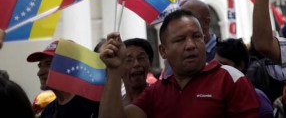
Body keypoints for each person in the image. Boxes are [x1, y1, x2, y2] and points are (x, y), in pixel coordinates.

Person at [99, 9, 259, 117]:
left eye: (196, 36)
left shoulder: (231, 79)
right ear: (163, 51)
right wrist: (114, 69)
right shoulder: (157, 92)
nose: (190, 45)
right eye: (180, 40)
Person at [26, 40, 100, 118]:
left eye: (49, 64)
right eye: (40, 66)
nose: (39, 73)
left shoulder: (93, 104)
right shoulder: (48, 111)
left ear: (71, 66)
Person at [215, 38, 274, 118]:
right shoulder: (213, 97)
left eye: (223, 65)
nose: (216, 68)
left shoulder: (258, 98)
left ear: (240, 66)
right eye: (214, 64)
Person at [122, 38, 154, 106]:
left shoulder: (160, 98)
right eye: (129, 60)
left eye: (141, 58)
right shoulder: (115, 106)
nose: (136, 64)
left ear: (150, 63)